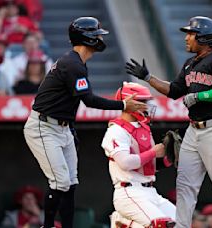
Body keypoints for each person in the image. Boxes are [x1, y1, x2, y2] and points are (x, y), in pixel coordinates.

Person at [125, 16, 212, 228]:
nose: (187, 38)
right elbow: (173, 90)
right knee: (185, 184)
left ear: (204, 38)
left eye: (191, 34)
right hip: (194, 129)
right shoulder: (190, 64)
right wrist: (148, 77)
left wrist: (199, 96)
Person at [23, 17, 147, 228]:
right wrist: (124, 105)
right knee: (60, 182)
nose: (100, 38)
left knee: (71, 183)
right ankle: (49, 225)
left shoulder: (76, 62)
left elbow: (69, 103)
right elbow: (88, 100)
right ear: (87, 38)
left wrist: (70, 129)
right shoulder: (73, 65)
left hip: (62, 127)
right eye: (97, 35)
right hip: (43, 127)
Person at [101, 82, 176, 228]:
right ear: (129, 103)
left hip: (150, 191)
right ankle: (125, 221)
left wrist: (168, 158)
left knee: (182, 223)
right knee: (162, 225)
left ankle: (125, 222)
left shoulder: (144, 128)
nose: (146, 106)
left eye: (146, 101)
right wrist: (154, 151)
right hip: (129, 192)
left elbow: (148, 165)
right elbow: (126, 163)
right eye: (142, 102)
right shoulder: (116, 131)